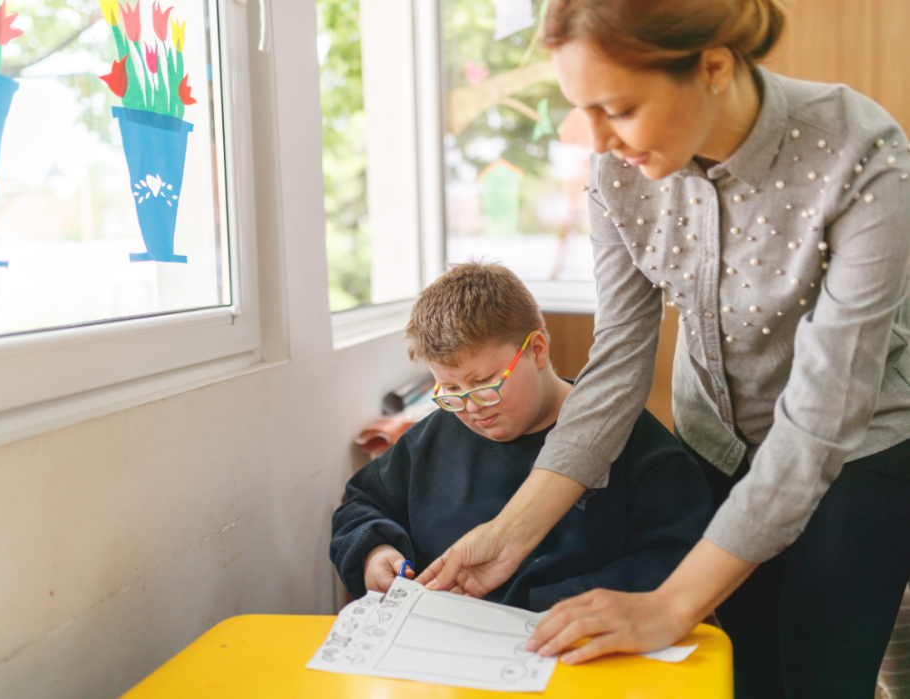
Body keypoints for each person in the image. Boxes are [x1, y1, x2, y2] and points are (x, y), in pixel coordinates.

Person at [416, 2, 910, 697]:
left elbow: (820, 422)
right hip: (714, 444)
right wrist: (509, 533)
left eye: (616, 107)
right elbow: (618, 361)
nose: (595, 137)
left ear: (712, 65)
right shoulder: (615, 168)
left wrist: (671, 602)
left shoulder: (859, 156)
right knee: (737, 673)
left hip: (855, 456)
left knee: (819, 679)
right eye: (581, 107)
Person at [331, 262, 712, 610]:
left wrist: (546, 604)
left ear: (538, 350)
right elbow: (362, 503)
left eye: (484, 381)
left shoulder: (639, 447)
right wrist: (373, 552)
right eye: (450, 389)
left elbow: (679, 557)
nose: (471, 406)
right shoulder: (429, 441)